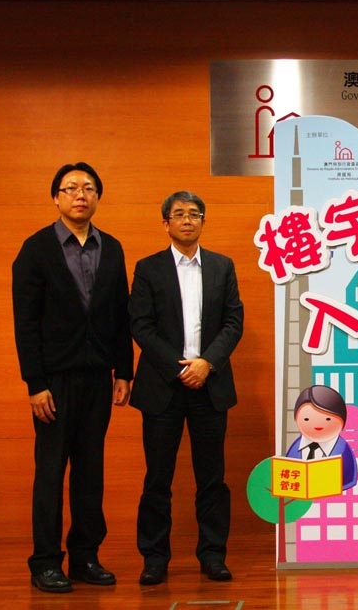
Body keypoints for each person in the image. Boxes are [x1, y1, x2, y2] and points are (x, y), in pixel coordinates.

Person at [12, 162, 134, 593]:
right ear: (56, 198)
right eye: (71, 188)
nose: (80, 195)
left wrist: (124, 371)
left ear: (98, 197)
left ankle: (85, 556)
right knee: (50, 472)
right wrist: (35, 383)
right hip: (54, 382)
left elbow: (121, 313)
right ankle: (45, 561)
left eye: (88, 188)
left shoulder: (112, 248)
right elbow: (25, 323)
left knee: (90, 470)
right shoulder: (36, 249)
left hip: (98, 376)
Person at [129, 191, 244, 585]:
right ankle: (154, 558)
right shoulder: (148, 268)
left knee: (212, 477)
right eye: (178, 214)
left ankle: (212, 555)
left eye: (195, 214)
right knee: (157, 478)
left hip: (210, 384)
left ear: (203, 221)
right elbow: (140, 325)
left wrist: (206, 363)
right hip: (164, 386)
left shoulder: (222, 266)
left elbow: (233, 322)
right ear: (166, 223)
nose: (187, 220)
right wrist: (179, 368)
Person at [285, 385, 358, 490]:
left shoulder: (342, 449)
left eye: (328, 419)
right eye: (306, 419)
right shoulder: (296, 446)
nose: (317, 424)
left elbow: (349, 479)